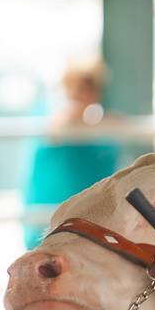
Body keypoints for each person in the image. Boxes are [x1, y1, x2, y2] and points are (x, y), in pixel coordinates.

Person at [21, 57, 122, 249]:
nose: (82, 93)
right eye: (78, 86)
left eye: (89, 87)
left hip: (88, 226)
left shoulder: (101, 132)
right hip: (51, 223)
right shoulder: (54, 122)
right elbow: (61, 125)